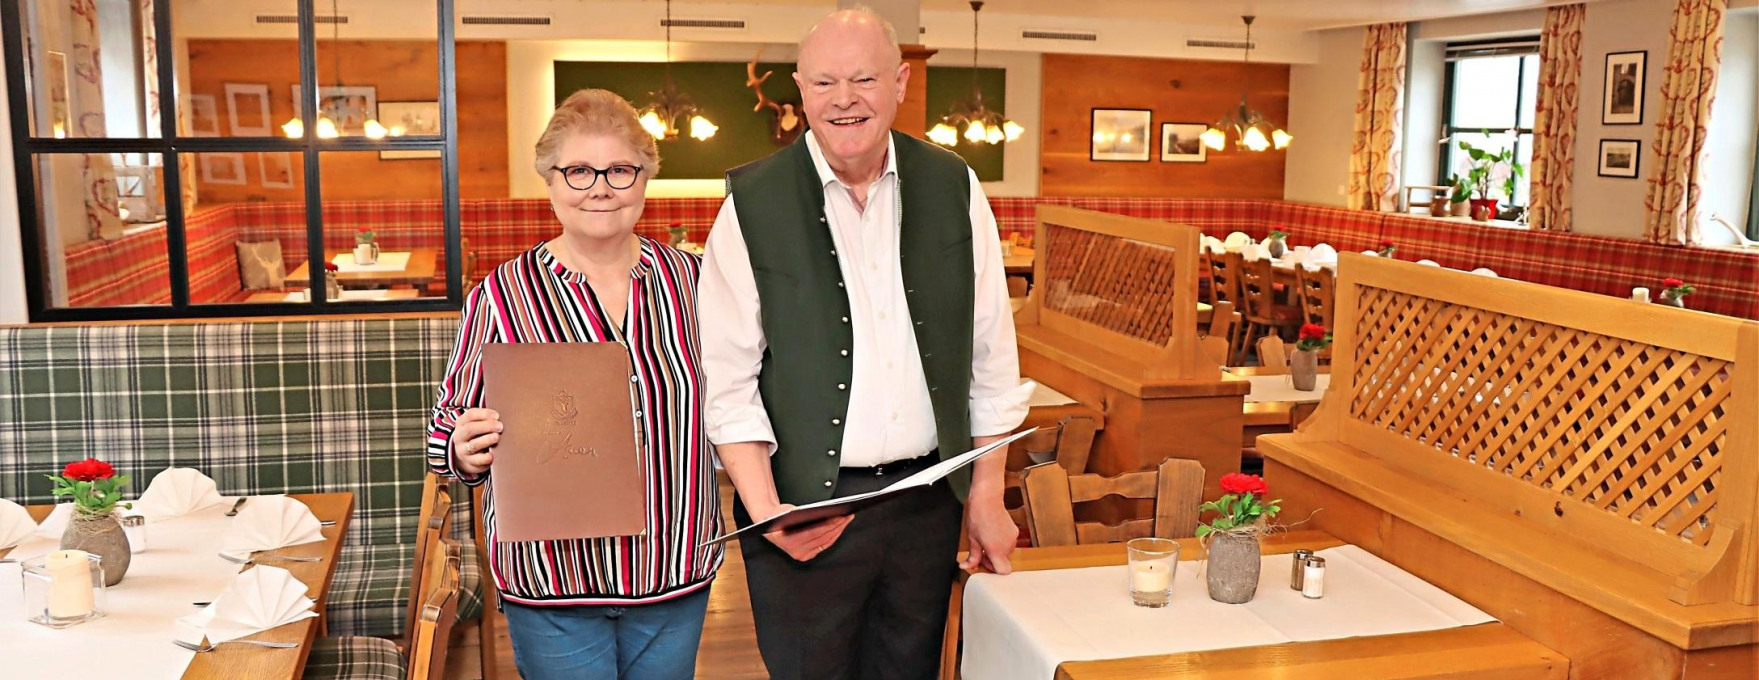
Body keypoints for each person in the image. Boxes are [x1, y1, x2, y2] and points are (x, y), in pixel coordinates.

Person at [698, 8, 1031, 680]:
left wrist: (986, 495)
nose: (842, 99)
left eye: (863, 79)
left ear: (900, 82)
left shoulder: (955, 185)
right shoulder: (750, 204)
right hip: (804, 513)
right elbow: (725, 378)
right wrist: (767, 512)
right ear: (799, 87)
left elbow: (990, 355)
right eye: (823, 82)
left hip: (925, 506)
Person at [426, 88, 722, 680]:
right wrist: (464, 446)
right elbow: (444, 435)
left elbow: (740, 404)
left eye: (620, 169)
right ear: (551, 180)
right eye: (579, 170)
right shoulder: (502, 293)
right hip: (552, 578)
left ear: (645, 178)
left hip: (675, 564)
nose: (601, 187)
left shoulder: (695, 281)